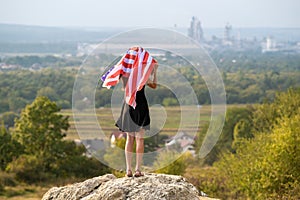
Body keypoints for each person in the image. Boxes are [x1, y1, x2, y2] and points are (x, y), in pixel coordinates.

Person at [101, 47, 158, 177]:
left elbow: (116, 76)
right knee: (140, 140)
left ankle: (128, 170)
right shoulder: (142, 75)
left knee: (129, 139)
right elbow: (154, 85)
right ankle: (138, 169)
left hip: (127, 105)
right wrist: (155, 70)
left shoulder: (125, 73)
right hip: (141, 105)